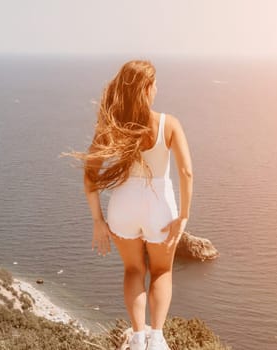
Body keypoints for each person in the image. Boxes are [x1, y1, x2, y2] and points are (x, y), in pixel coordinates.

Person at [72, 60, 193, 350]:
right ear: (148, 89)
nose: (157, 88)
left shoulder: (112, 127)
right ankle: (158, 337)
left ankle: (138, 338)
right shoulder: (169, 123)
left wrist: (98, 220)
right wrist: (185, 216)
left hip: (122, 208)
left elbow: (90, 174)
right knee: (162, 272)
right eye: (155, 83)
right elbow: (187, 172)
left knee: (133, 271)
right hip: (160, 206)